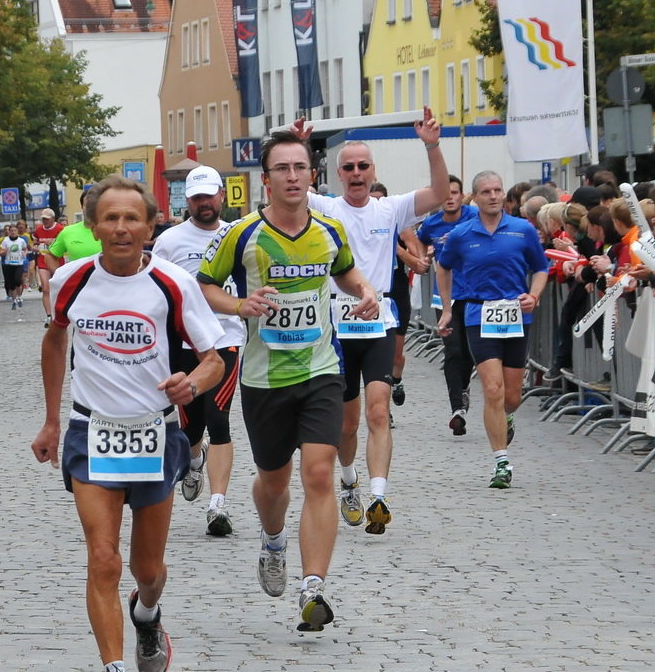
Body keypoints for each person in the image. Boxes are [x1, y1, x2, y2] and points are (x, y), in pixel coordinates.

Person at [30, 175, 227, 672]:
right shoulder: (69, 281)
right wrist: (50, 419)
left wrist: (194, 381)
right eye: (110, 219)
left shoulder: (173, 283)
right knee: (102, 559)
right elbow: (54, 340)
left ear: (149, 227)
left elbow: (215, 354)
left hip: (155, 434)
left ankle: (148, 613)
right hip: (92, 432)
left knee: (148, 569)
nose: (121, 228)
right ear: (92, 226)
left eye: (132, 219)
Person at [199, 130, 378, 631]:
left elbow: (345, 272)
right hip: (263, 378)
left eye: (301, 168)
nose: (293, 177)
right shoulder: (241, 235)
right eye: (283, 169)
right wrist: (239, 305)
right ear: (267, 179)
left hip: (321, 368)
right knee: (273, 482)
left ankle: (313, 587)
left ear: (311, 176)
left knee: (319, 473)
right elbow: (205, 285)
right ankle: (273, 541)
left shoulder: (328, 230)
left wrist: (364, 290)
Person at [297, 109, 448, 535]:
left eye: (364, 166)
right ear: (337, 174)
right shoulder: (324, 206)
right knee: (346, 423)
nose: (357, 173)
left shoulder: (391, 209)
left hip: (378, 320)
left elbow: (439, 192)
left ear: (373, 171)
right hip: (337, 326)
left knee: (378, 411)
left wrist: (432, 145)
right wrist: (302, 147)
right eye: (349, 167)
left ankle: (379, 496)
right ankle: (349, 483)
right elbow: (286, 189)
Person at [434, 171, 549, 489]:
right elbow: (443, 267)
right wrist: (447, 309)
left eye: (498, 190)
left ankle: (507, 417)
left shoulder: (522, 230)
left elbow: (541, 268)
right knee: (493, 390)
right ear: (476, 197)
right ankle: (502, 462)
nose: (494, 195)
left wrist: (534, 295)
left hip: (515, 316)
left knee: (511, 396)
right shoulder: (461, 234)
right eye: (486, 191)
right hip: (477, 315)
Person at [149, 165, 245, 535]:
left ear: (222, 194)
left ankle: (218, 505)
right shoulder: (170, 241)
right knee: (191, 427)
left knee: (219, 418)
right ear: (186, 200)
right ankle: (194, 459)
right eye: (196, 198)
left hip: (226, 338)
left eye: (209, 196)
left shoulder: (237, 235)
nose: (204, 204)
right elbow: (154, 290)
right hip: (185, 342)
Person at [410, 177, 479, 434]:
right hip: (445, 296)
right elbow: (420, 239)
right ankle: (457, 409)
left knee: (469, 351)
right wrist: (424, 254)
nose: (450, 198)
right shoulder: (431, 223)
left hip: (473, 294)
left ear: (463, 196)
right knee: (453, 351)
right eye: (446, 193)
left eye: (455, 193)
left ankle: (463, 389)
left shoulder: (475, 217)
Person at [32, 209, 62, 323]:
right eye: (43, 219)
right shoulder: (39, 229)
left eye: (46, 219)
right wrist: (34, 247)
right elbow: (35, 243)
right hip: (43, 260)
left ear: (53, 219)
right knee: (45, 288)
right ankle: (49, 316)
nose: (44, 221)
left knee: (59, 288)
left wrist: (53, 244)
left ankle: (59, 312)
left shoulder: (60, 229)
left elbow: (65, 244)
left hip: (57, 261)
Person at [0, 222, 31, 308]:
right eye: (12, 230)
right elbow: (0, 252)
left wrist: (25, 253)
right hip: (9, 264)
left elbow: (26, 249)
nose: (13, 232)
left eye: (15, 230)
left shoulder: (21, 241)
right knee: (12, 284)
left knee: (18, 280)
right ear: (9, 232)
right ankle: (14, 301)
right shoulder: (5, 241)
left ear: (17, 231)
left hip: (18, 263)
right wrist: (5, 251)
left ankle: (19, 297)